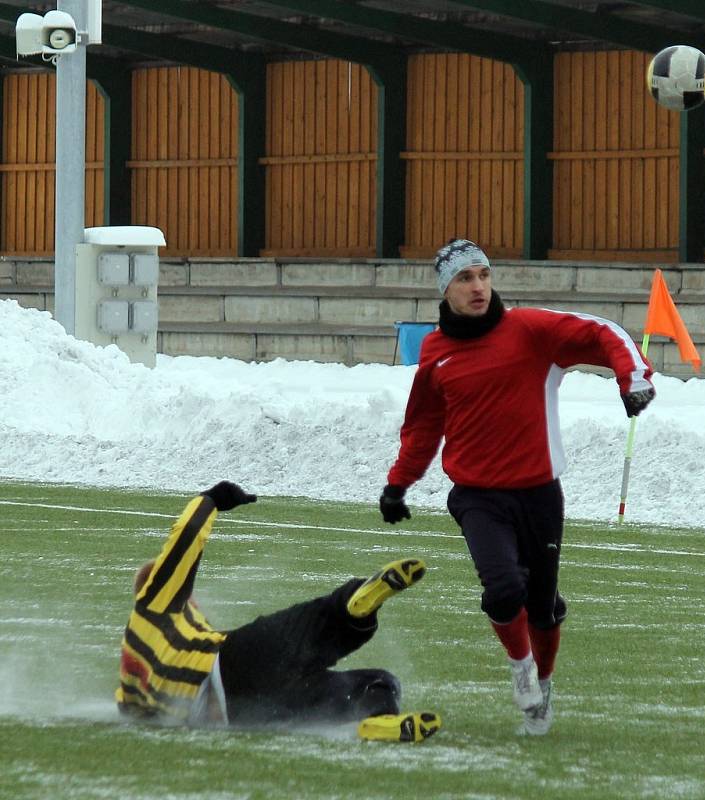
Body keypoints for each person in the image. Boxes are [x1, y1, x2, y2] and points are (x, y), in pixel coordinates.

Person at [379, 239, 655, 736]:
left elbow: (601, 333)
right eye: (465, 279)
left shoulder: (529, 330)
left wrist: (632, 377)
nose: (478, 286)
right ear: (446, 290)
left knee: (544, 608)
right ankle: (521, 667)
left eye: (483, 274)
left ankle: (543, 684)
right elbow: (423, 425)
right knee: (504, 589)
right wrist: (398, 483)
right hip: (477, 497)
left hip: (539, 495)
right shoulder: (435, 350)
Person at [116, 480, 441, 743]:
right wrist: (211, 499)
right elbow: (183, 542)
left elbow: (132, 711)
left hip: (239, 715)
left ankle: (379, 721)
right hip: (230, 663)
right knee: (322, 620)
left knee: (375, 682)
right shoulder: (157, 600)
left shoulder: (131, 671)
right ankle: (352, 608)